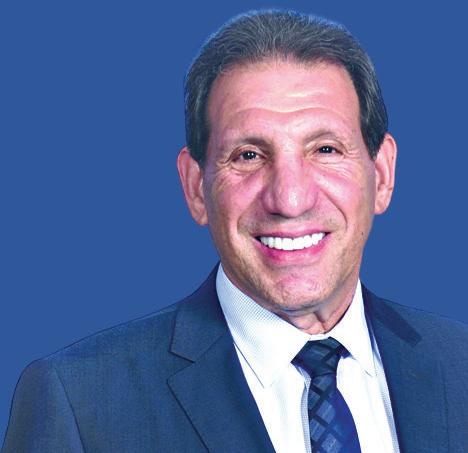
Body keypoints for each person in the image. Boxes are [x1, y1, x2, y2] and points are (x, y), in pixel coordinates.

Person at [3, 9, 468, 453]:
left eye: (325, 149)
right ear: (196, 188)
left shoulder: (460, 364)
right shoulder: (81, 404)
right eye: (248, 155)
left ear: (382, 176)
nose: (290, 199)